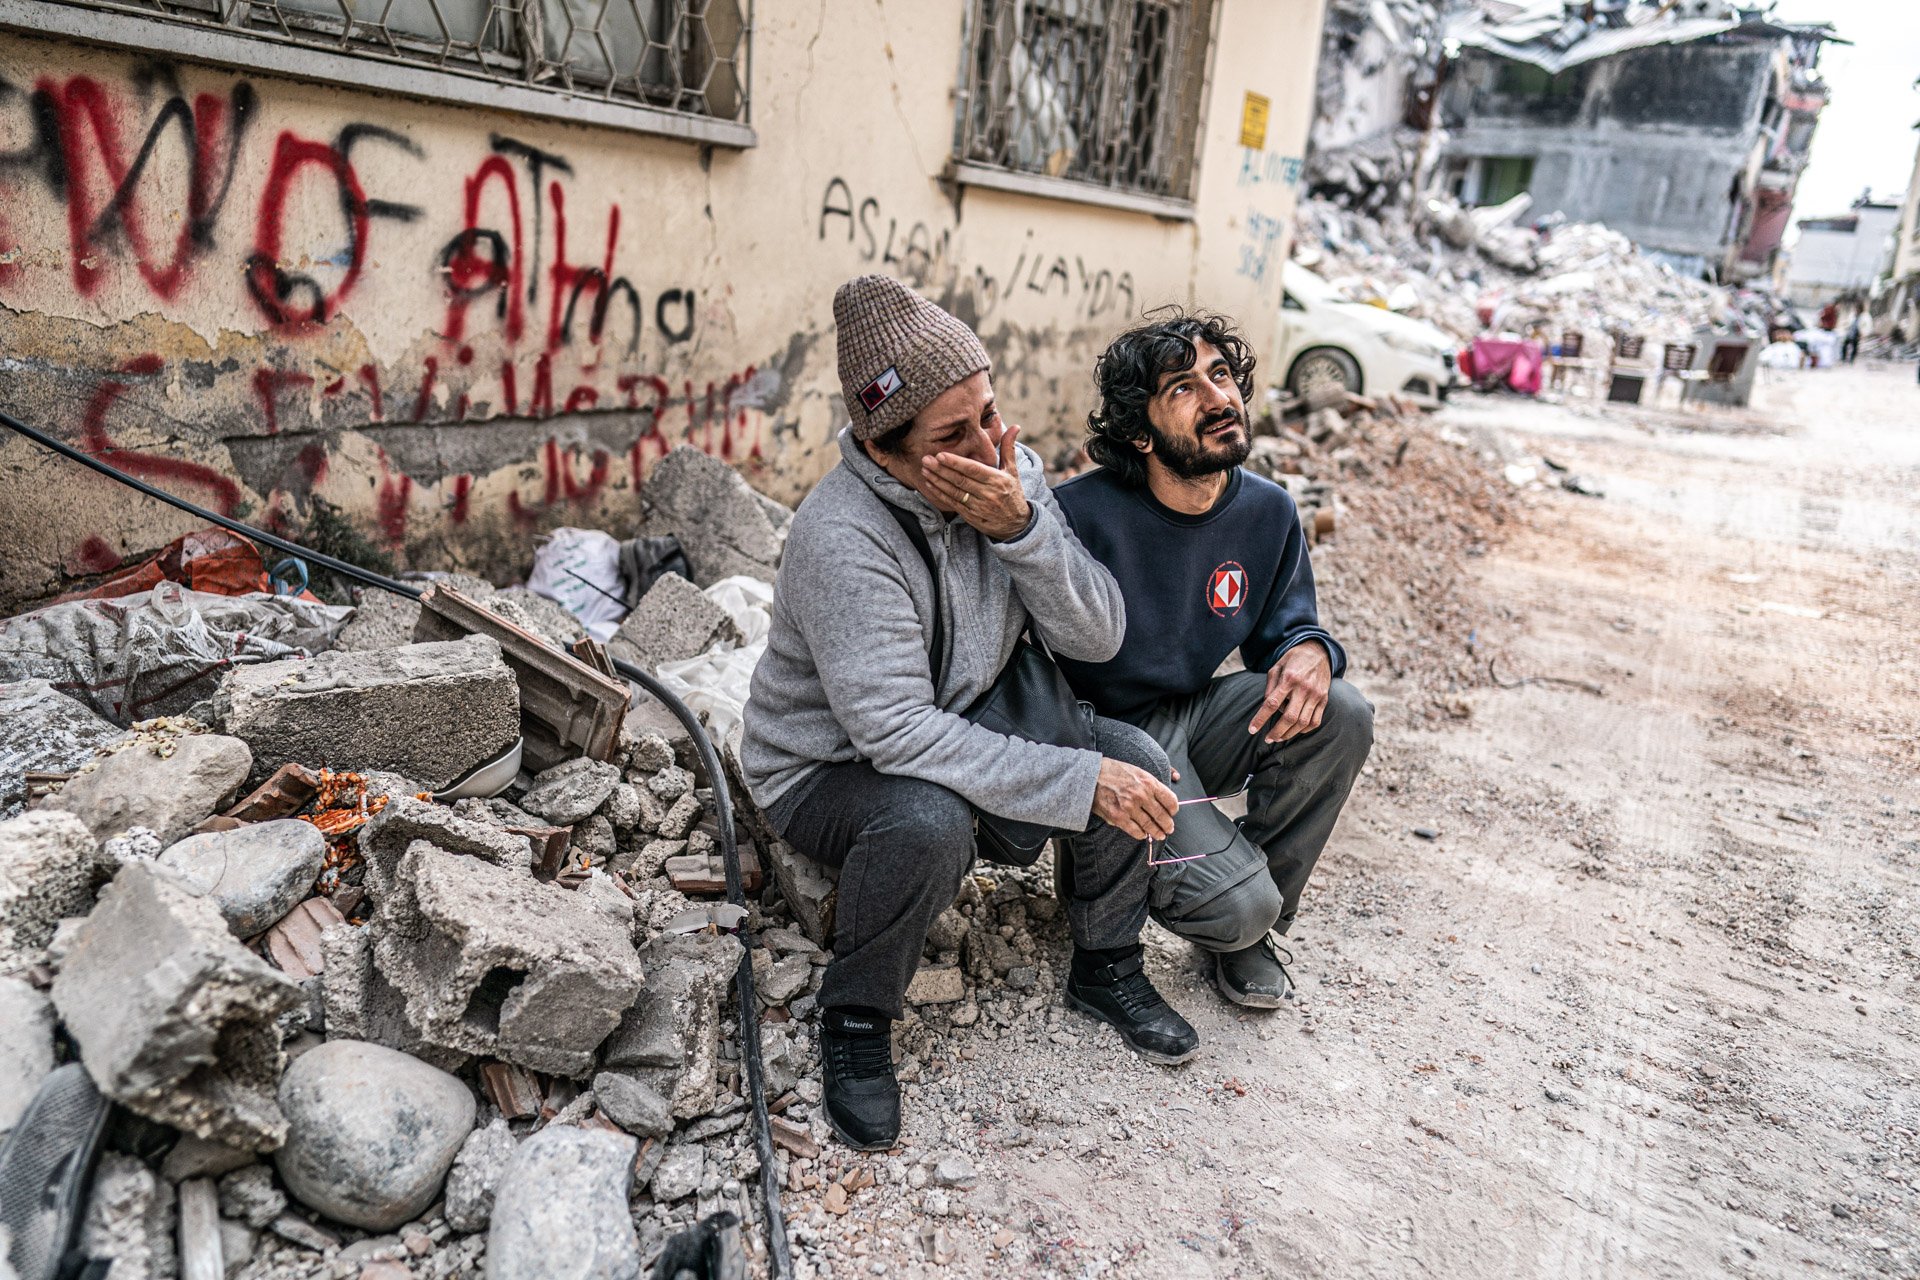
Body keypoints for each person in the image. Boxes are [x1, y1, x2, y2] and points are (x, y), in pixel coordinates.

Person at [739, 276, 1200, 1152]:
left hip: (974, 715)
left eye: (989, 413)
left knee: (1130, 754)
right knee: (930, 822)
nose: (989, 445)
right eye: (953, 436)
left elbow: (1100, 638)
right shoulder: (842, 538)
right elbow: (893, 732)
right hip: (830, 769)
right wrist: (1072, 780)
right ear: (881, 449)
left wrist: (1023, 528)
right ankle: (856, 1022)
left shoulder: (1010, 474)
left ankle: (1106, 964)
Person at [1052, 310, 1374, 1008]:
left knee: (1342, 712)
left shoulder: (1269, 512)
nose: (1219, 399)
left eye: (1221, 376)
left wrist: (1313, 650)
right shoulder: (1077, 517)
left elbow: (1286, 631)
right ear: (1140, 433)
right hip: (1107, 739)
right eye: (1184, 390)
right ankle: (1186, 892)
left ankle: (1250, 926)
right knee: (1235, 902)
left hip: (1194, 714)